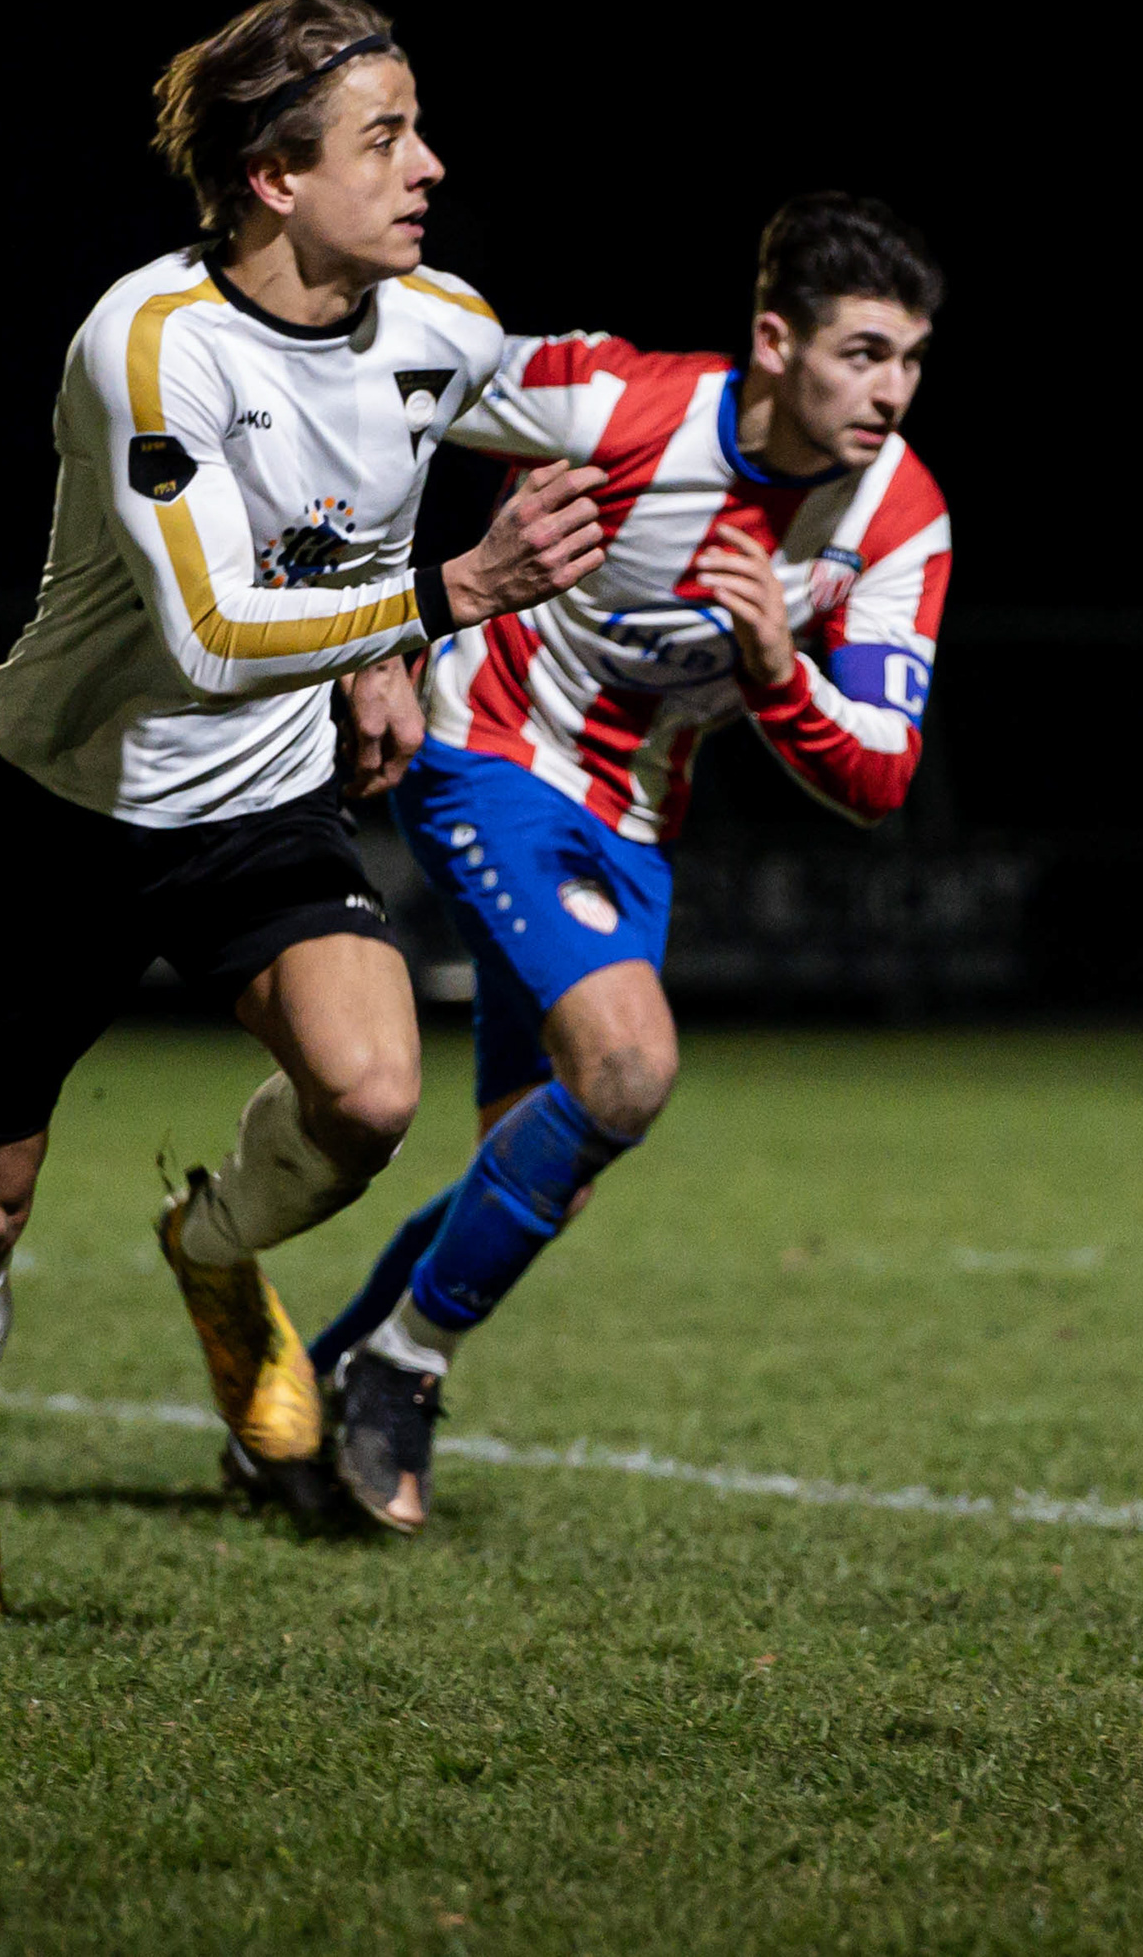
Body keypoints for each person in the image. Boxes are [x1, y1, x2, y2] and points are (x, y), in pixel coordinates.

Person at [0, 0, 608, 1629]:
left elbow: (567, 423)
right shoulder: (151, 344)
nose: (428, 165)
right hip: (62, 807)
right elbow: (212, 635)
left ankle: (211, 1250)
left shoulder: (438, 322)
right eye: (385, 138)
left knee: (369, 1093)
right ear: (275, 179)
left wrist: (762, 434)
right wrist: (445, 599)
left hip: (259, 806)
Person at [305, 192, 950, 1531]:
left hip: (633, 824)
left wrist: (778, 673)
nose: (892, 391)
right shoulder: (612, 401)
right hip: (487, 752)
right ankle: (399, 1369)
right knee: (631, 1065)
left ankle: (305, 1395)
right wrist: (386, 621)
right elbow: (386, 388)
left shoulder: (899, 516)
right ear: (774, 339)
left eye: (910, 358)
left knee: (545, 1158)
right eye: (863, 353)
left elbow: (881, 772)